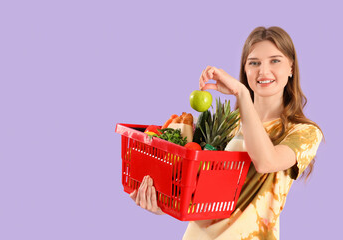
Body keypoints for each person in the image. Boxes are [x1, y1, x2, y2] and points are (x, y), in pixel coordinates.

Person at [129, 26, 324, 240]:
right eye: (254, 63)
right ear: (245, 69)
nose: (263, 71)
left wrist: (241, 94)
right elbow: (201, 199)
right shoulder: (228, 126)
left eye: (275, 60)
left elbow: (266, 161)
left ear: (291, 68)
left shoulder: (303, 132)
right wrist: (164, 203)